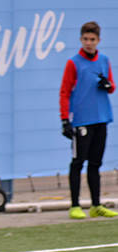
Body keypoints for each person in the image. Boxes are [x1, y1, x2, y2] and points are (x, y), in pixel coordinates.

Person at [59, 21, 116, 220]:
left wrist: (108, 85)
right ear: (81, 39)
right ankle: (75, 205)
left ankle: (96, 205)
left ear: (98, 40)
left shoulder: (105, 60)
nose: (89, 43)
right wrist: (65, 120)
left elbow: (111, 87)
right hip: (81, 121)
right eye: (85, 39)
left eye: (92, 39)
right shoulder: (73, 63)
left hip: (101, 118)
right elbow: (65, 92)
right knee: (77, 162)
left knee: (95, 164)